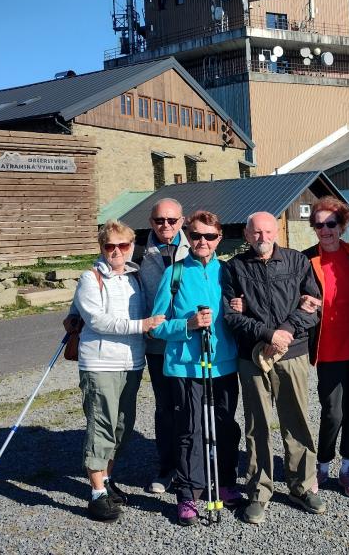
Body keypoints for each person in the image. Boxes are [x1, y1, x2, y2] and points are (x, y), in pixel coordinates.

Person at [223, 212, 325, 525]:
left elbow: (313, 305)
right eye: (256, 232)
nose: (262, 238)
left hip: (292, 353)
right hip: (252, 355)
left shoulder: (297, 261)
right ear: (246, 234)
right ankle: (259, 491)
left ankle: (302, 485)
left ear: (276, 231)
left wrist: (284, 333)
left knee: (296, 420)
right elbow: (230, 315)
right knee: (258, 425)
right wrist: (268, 335)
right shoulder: (234, 268)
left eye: (268, 231)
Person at [150, 211, 242, 525]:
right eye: (196, 235)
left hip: (223, 364)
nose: (202, 241)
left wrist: (241, 307)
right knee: (190, 430)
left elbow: (240, 315)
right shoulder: (174, 274)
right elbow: (156, 327)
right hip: (186, 367)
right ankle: (189, 492)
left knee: (225, 427)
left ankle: (226, 482)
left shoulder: (227, 272)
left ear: (219, 239)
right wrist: (186, 325)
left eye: (210, 236)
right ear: (187, 237)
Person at [73, 219, 165, 522]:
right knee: (101, 425)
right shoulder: (91, 278)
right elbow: (96, 320)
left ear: (131, 246)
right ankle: (96, 493)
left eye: (122, 245)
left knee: (122, 427)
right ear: (101, 247)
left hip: (132, 362)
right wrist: (142, 326)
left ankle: (108, 480)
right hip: (100, 364)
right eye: (109, 245)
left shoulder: (134, 276)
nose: (116, 251)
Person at [301, 197, 349, 499]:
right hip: (327, 348)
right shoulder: (305, 260)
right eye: (319, 225)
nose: (325, 230)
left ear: (342, 226)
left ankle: (347, 467)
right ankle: (323, 465)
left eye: (331, 224)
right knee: (332, 411)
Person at [138, 198, 189, 494]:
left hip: (188, 341)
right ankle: (168, 466)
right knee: (166, 407)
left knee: (191, 404)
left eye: (171, 220)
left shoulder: (196, 245)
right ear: (151, 222)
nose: (165, 225)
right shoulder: (137, 251)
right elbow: (104, 276)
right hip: (157, 343)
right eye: (159, 220)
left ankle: (193, 464)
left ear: (182, 221)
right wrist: (75, 314)